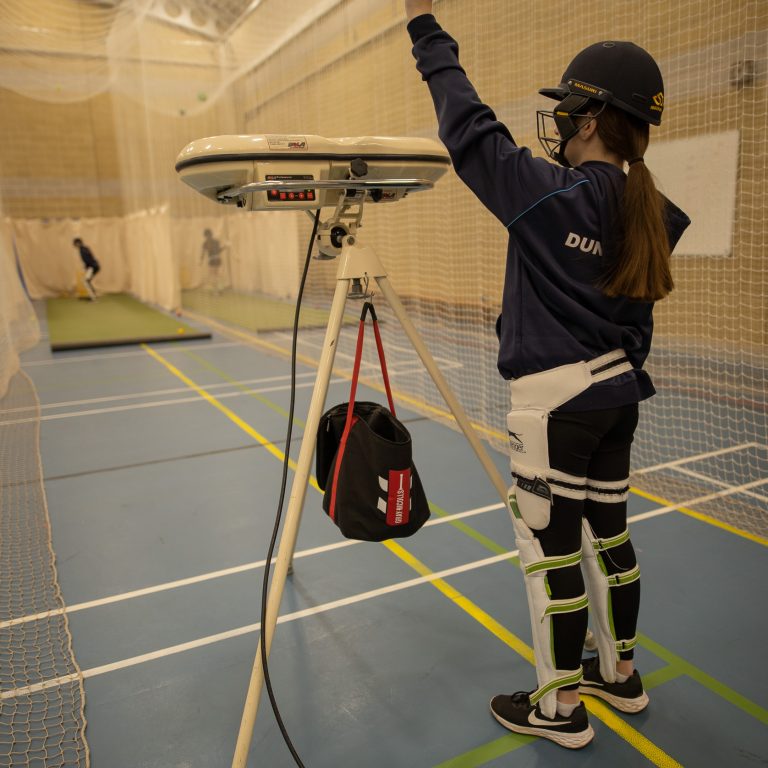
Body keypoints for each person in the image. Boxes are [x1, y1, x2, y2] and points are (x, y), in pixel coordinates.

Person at [404, 0, 690, 750]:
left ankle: (560, 711)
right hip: (617, 398)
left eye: (568, 110)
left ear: (592, 119)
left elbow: (468, 131)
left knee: (552, 554)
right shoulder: (651, 209)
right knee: (611, 539)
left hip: (555, 406)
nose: (559, 123)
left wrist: (425, 25)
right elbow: (638, 320)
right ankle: (619, 674)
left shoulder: (553, 195)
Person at [200, 228, 227, 293]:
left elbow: (203, 253)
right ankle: (218, 289)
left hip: (214, 259)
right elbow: (218, 250)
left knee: (214, 275)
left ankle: (217, 290)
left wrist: (225, 246)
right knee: (215, 275)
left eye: (207, 235)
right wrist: (225, 246)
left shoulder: (207, 243)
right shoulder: (211, 242)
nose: (207, 237)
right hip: (215, 259)